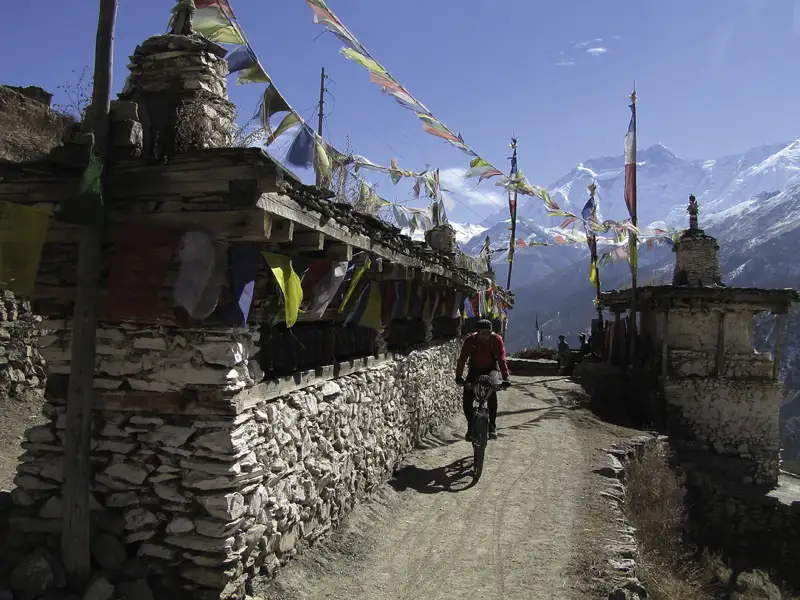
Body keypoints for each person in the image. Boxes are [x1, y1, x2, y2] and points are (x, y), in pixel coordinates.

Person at [455, 319, 511, 441]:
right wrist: (459, 376)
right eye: (482, 333)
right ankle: (471, 427)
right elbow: (462, 358)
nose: (485, 336)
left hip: (491, 369)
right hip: (475, 370)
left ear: (491, 332)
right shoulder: (470, 341)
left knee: (492, 394)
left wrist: (506, 377)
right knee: (467, 398)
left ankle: (492, 426)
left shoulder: (496, 340)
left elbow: (501, 358)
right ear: (477, 332)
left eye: (488, 333)